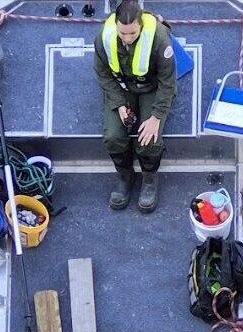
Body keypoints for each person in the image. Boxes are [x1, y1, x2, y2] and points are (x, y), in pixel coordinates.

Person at [94, 0, 177, 213]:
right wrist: (120, 105)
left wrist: (156, 117)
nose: (127, 38)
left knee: (149, 139)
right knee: (113, 136)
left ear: (140, 25)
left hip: (152, 88)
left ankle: (149, 178)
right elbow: (103, 74)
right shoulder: (103, 37)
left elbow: (168, 82)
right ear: (116, 25)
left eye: (132, 33)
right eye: (123, 34)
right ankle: (125, 175)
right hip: (122, 89)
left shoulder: (159, 40)